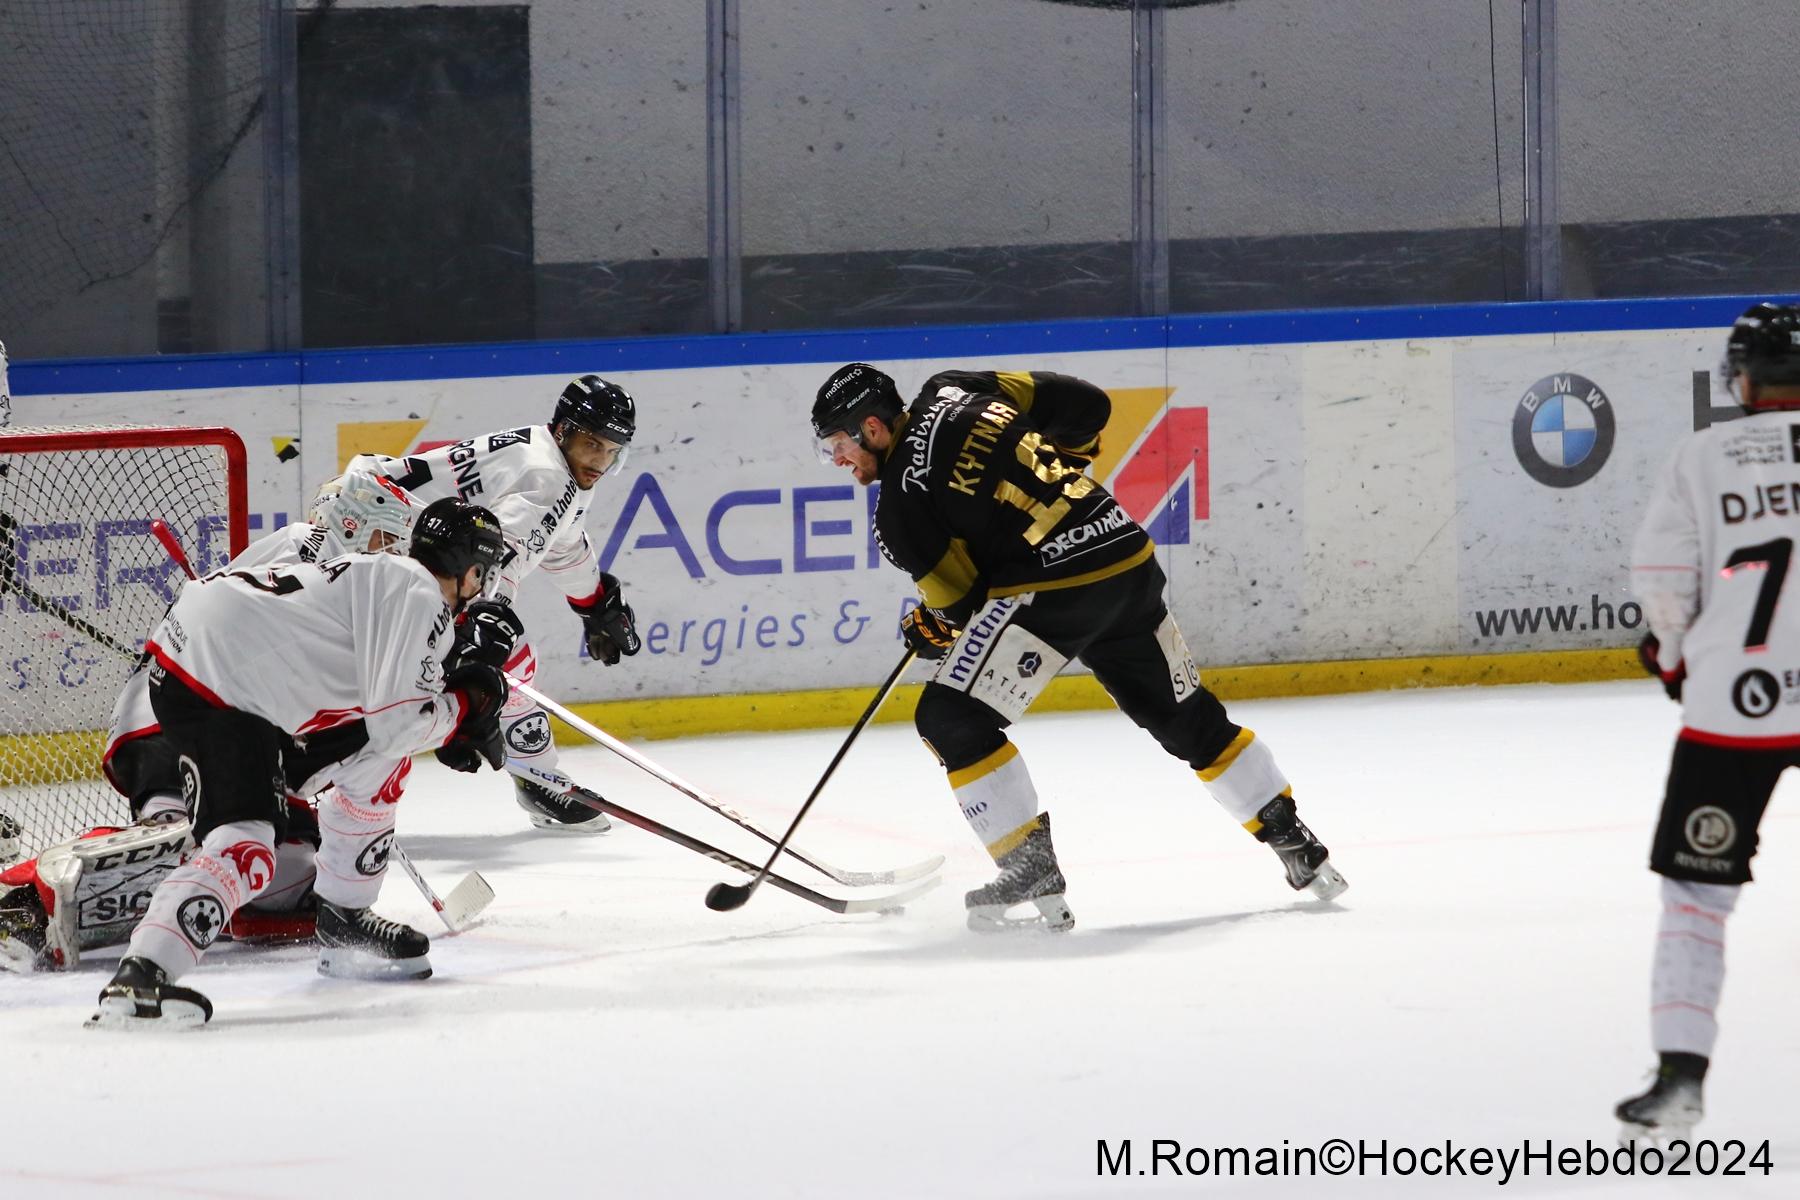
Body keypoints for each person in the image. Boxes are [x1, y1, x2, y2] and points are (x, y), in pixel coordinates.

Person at [809, 363, 1346, 931]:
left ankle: (1029, 869)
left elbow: (964, 603)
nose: (839, 460)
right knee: (1185, 716)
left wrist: (933, 626)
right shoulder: (957, 387)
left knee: (949, 718)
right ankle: (1298, 844)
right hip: (1124, 557)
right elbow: (1088, 407)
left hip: (1054, 595)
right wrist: (1068, 465)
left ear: (873, 428)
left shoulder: (899, 508)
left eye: (839, 445)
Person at [86, 498, 518, 1028]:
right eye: (483, 575)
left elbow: (383, 720)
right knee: (247, 846)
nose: (482, 587)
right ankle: (143, 975)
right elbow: (400, 722)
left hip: (226, 679)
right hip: (221, 686)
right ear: (471, 569)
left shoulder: (383, 578)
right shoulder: (418, 591)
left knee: (378, 761)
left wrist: (448, 712)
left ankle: (345, 916)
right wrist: (467, 707)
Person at [1, 468, 424, 974]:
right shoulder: (322, 560)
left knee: (289, 870)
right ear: (351, 524)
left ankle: (151, 906)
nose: (395, 551)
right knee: (193, 838)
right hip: (184, 715)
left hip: (211, 711)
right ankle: (23, 898)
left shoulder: (333, 569)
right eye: (386, 536)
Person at [1617, 300, 1800, 1139]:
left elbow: (1662, 574)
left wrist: (1675, 652)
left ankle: (1681, 1082)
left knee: (1696, 895)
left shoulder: (1705, 453)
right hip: (1737, 703)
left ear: (1742, 378)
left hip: (1737, 709)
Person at [347, 374, 643, 834]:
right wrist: (481, 625)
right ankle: (539, 778)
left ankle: (537, 775)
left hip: (371, 516)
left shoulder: (549, 459)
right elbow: (496, 557)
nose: (600, 461)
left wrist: (595, 602)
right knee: (506, 660)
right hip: (374, 534)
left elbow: (559, 545)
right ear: (564, 430)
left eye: (611, 450)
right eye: (592, 445)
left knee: (494, 658)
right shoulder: (548, 478)